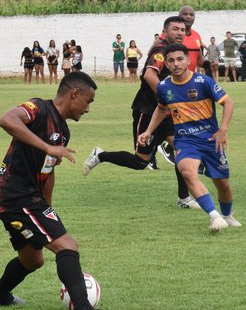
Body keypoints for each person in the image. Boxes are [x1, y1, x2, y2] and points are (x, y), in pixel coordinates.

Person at [0, 71, 123, 310]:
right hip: (14, 196)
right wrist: (47, 146)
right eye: (88, 101)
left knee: (32, 260)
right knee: (67, 245)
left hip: (27, 199)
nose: (88, 109)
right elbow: (7, 120)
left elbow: (47, 171)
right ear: (74, 94)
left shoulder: (62, 131)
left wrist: (47, 207)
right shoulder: (38, 108)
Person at [82, 15, 198, 210]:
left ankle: (184, 198)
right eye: (175, 29)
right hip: (148, 110)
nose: (180, 33)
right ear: (165, 31)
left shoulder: (174, 51)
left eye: (182, 29)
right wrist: (167, 97)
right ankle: (100, 155)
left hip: (167, 112)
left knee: (182, 149)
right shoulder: (160, 50)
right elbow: (149, 74)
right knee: (140, 162)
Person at [137, 43, 238, 233]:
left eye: (180, 59)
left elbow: (228, 103)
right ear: (166, 64)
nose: (176, 64)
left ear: (188, 60)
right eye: (171, 60)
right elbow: (161, 109)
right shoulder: (164, 87)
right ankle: (215, 217)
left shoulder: (203, 81)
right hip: (185, 140)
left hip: (210, 140)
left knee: (222, 183)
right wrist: (148, 131)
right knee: (187, 171)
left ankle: (227, 215)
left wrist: (223, 130)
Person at [178, 6, 204, 72]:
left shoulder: (197, 35)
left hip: (190, 76)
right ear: (179, 16)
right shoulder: (172, 34)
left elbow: (199, 59)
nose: (188, 17)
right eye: (185, 14)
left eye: (191, 15)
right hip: (174, 76)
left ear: (194, 18)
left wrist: (209, 64)